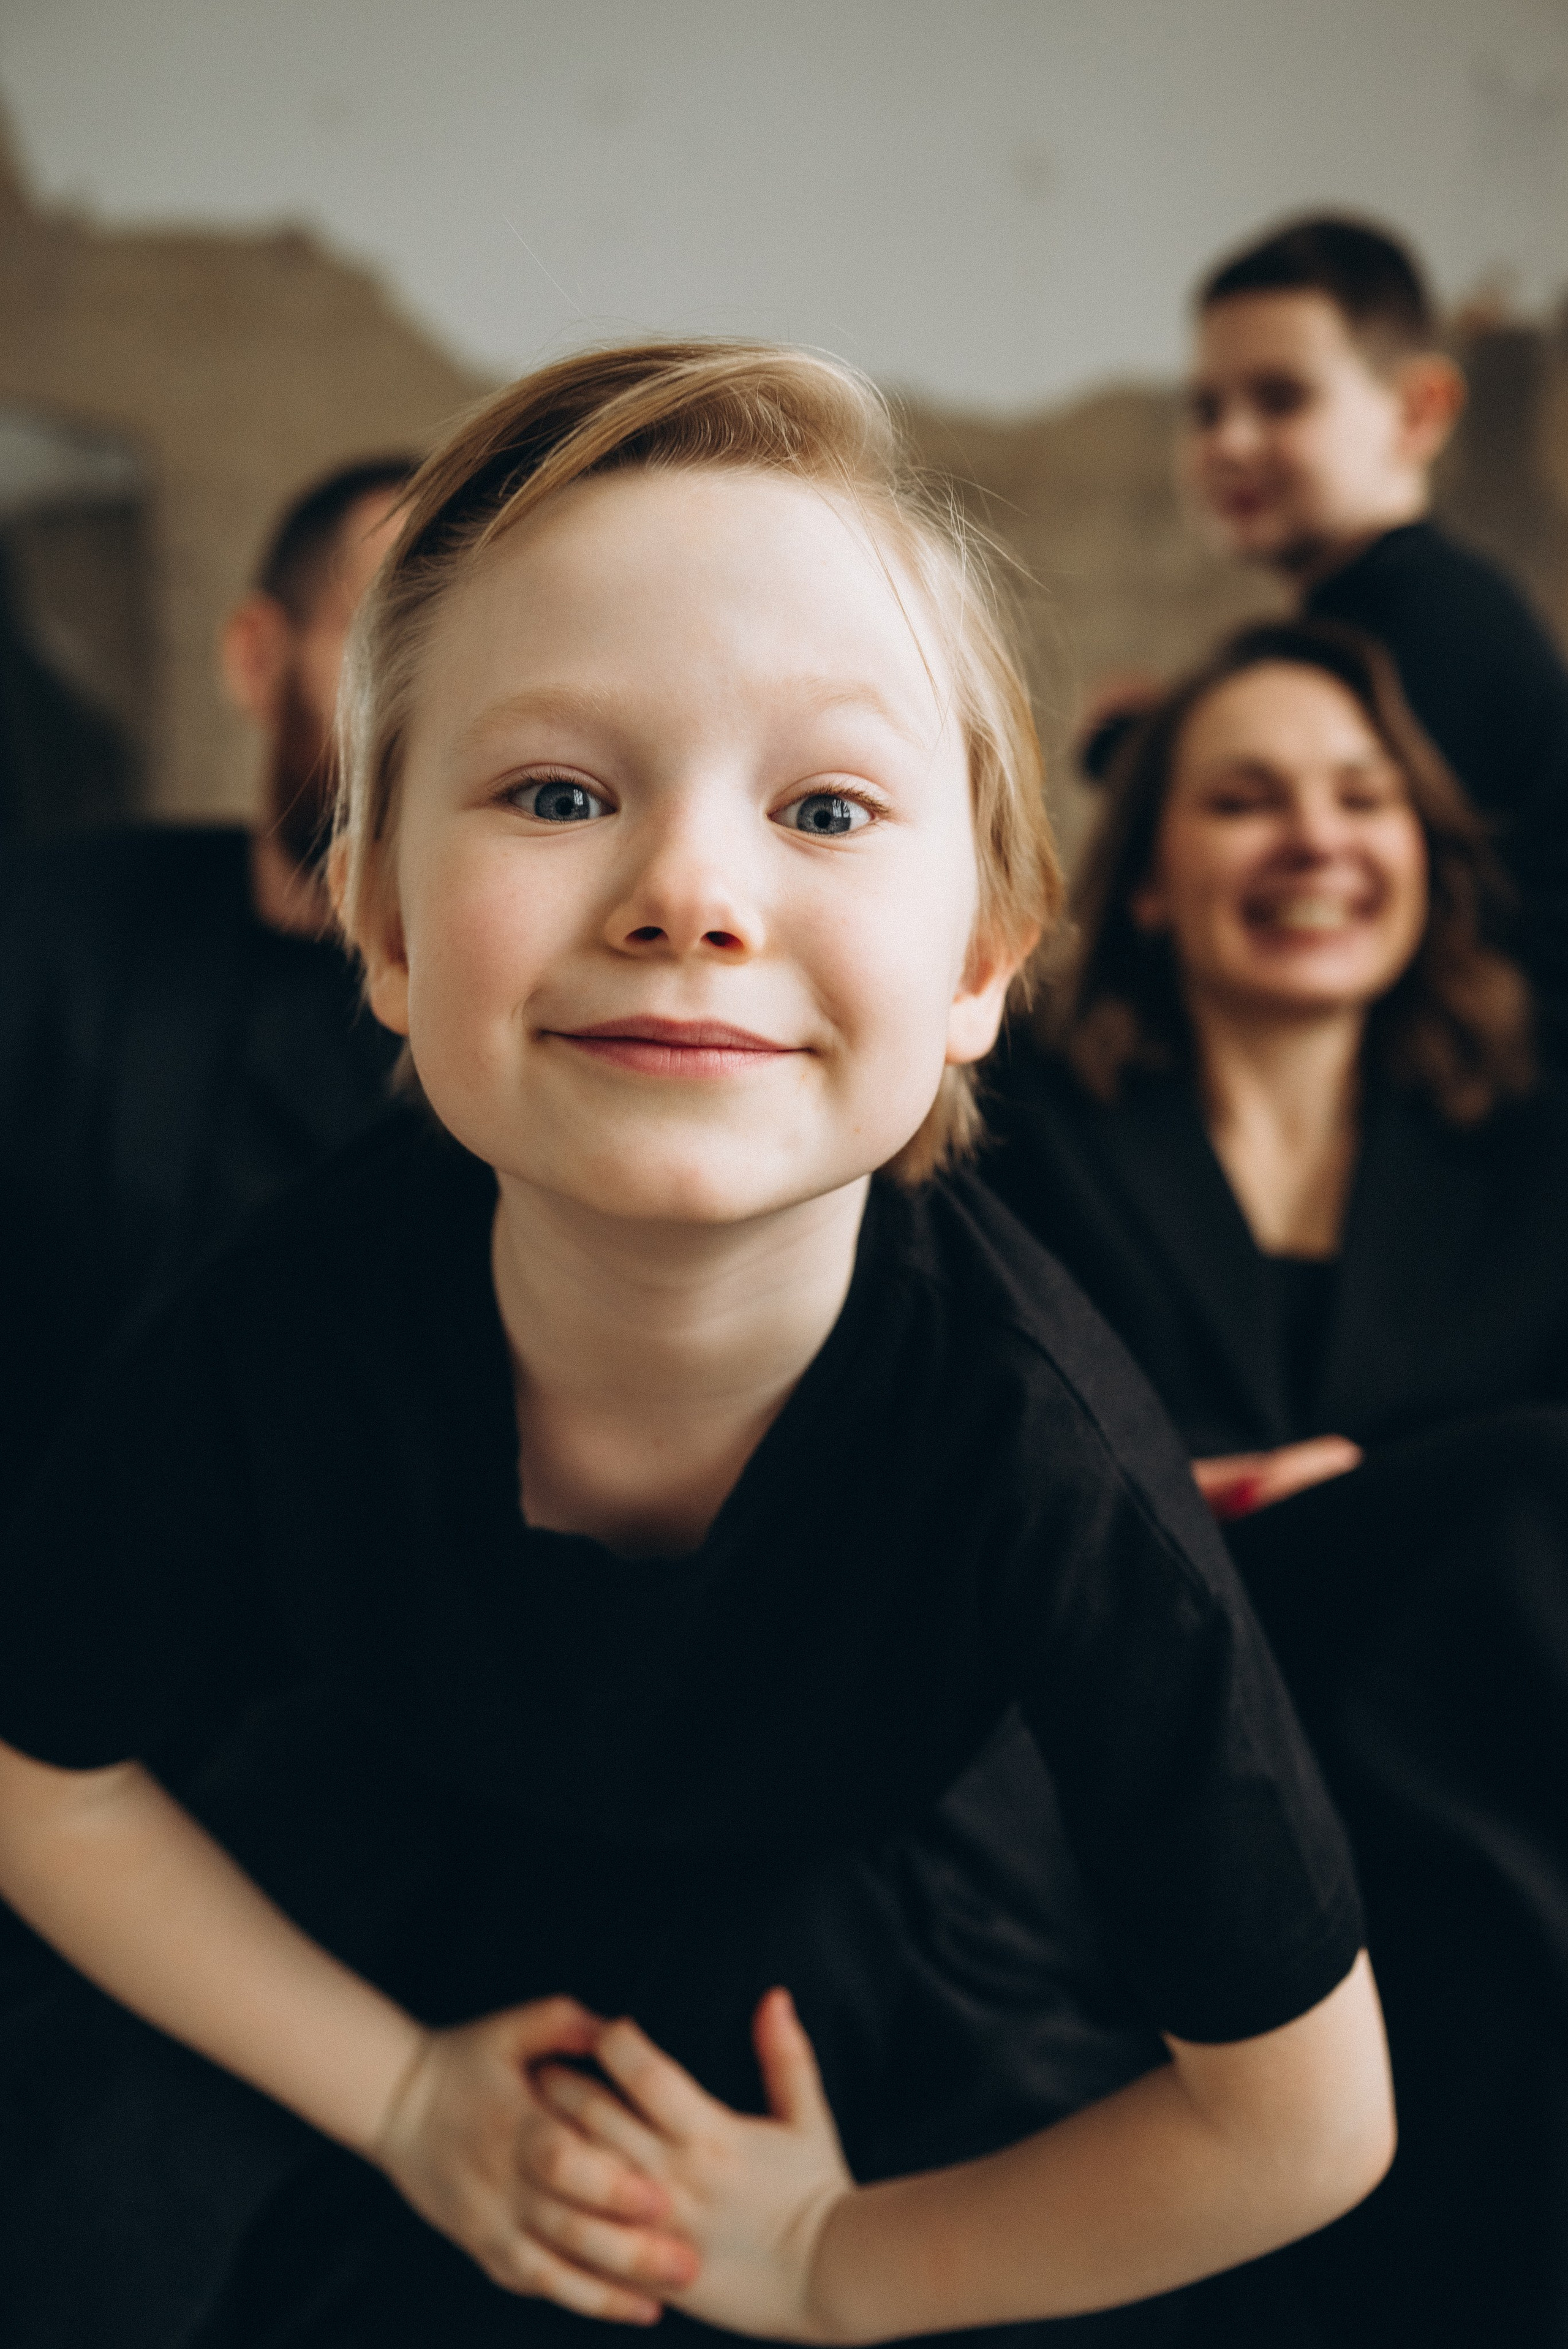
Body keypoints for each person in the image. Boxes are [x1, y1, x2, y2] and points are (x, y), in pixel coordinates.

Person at [0, 345, 1392, 2348]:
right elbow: (47, 1774)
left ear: (982, 959)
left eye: (826, 802)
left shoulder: (1043, 1454)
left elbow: (1305, 2123)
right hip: (411, 1887)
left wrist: (843, 2264)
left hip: (892, 1936)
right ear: (379, 922)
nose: (689, 892)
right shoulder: (292, 1312)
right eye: (561, 790)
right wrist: (393, 2091)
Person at [984, 619, 1568, 2345]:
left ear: (1424, 858)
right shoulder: (1008, 1132)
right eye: (1247, 801)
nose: (1316, 841)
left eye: (1361, 797)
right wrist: (1196, 1494)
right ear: (1151, 880)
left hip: (1472, 1775)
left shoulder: (1541, 1145)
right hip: (1149, 1718)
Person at [0, 456, 413, 1499]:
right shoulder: (41, 930)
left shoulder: (554, 1027)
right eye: (388, 652)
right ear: (258, 661)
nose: (430, 719)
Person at [1180, 213, 1568, 1033]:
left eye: (1281, 398)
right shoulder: (1386, 609)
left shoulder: (1431, 623)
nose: (1229, 443)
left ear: (1418, 412)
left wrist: (1139, 752)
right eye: (1207, 409)